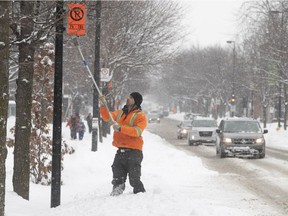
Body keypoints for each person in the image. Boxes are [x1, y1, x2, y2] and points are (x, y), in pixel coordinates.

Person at [99, 92, 147, 196]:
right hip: (120, 151)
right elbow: (107, 117)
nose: (128, 99)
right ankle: (117, 191)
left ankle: (140, 194)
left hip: (134, 152)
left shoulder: (140, 116)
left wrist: (120, 128)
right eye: (128, 97)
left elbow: (137, 131)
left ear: (136, 101)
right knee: (117, 175)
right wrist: (103, 106)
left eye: (131, 98)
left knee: (134, 179)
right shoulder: (120, 113)